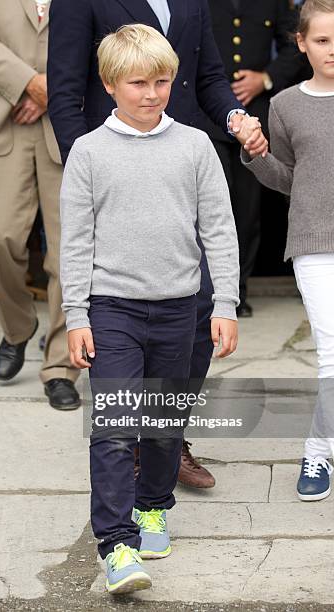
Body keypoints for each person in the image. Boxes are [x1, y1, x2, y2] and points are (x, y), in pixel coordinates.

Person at [47, 0, 267, 490]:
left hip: (183, 162)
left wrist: (234, 118)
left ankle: (167, 438)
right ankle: (135, 449)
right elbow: (64, 94)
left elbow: (209, 77)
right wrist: (93, 173)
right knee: (123, 326)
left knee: (202, 306)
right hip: (115, 170)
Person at [60, 24, 243, 594]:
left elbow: (219, 230)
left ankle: (154, 506)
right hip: (112, 309)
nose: (152, 93)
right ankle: (116, 544)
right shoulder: (88, 153)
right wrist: (76, 315)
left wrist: (227, 303)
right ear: (111, 84)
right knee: (115, 429)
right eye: (138, 82)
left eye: (162, 81)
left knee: (163, 425)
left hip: (182, 309)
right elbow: (75, 242)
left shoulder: (194, 146)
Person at [0, 0, 80, 410]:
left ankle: (61, 367)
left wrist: (54, 92)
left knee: (70, 254)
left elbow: (102, 37)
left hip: (67, 120)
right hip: (2, 116)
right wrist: (30, 83)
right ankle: (17, 328)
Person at [240, 0, 334, 501]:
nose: (332, 49)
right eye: (322, 40)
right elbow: (288, 179)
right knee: (331, 357)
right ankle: (317, 454)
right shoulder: (286, 105)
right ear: (300, 43)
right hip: (316, 243)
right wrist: (255, 157)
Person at [203, 0, 306, 317]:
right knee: (211, 208)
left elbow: (295, 43)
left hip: (255, 116)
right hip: (207, 118)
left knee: (247, 212)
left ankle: (239, 291)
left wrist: (266, 78)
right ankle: (211, 293)